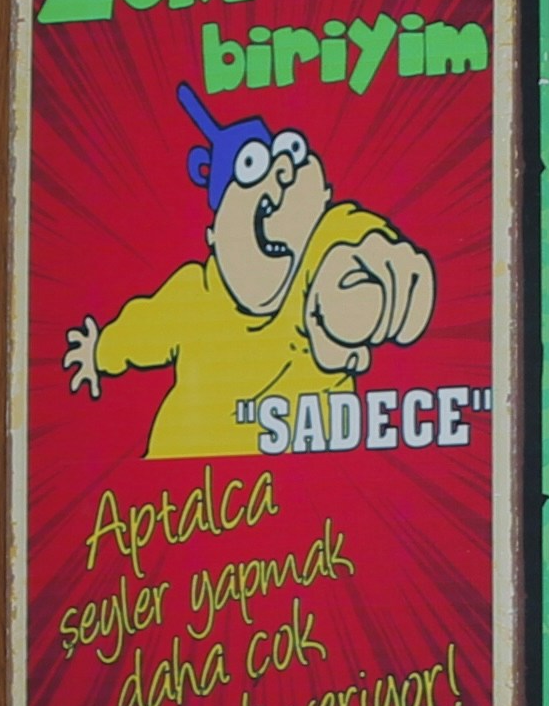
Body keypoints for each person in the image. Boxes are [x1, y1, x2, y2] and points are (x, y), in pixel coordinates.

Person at [62, 86, 440, 461]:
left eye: (290, 158)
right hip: (188, 490)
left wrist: (389, 277)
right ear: (212, 235)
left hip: (316, 488)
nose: (280, 176)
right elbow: (141, 330)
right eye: (250, 170)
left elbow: (357, 242)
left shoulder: (322, 246)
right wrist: (100, 351)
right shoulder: (196, 297)